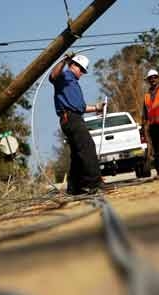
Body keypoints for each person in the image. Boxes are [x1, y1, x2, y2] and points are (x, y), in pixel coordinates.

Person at [49, 53, 104, 195]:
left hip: (73, 117)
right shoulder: (64, 77)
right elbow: (52, 76)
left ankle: (74, 187)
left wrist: (97, 108)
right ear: (73, 65)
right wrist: (63, 61)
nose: (82, 73)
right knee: (87, 147)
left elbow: (80, 107)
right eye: (81, 70)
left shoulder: (74, 83)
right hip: (70, 119)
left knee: (77, 153)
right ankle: (95, 183)